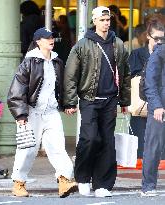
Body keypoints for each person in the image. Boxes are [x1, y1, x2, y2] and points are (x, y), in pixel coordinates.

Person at [63, 6, 130, 197]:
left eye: (108, 20)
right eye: (102, 20)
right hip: (89, 99)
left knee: (108, 142)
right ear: (94, 21)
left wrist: (124, 100)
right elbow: (70, 75)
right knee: (90, 138)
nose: (106, 23)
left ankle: (103, 185)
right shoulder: (83, 45)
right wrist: (69, 102)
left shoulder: (118, 44)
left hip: (110, 99)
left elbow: (125, 75)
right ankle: (83, 178)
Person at [7, 27, 77, 198]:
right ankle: (18, 183)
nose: (51, 40)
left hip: (51, 112)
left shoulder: (57, 62)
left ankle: (64, 180)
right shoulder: (29, 62)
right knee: (28, 149)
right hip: (32, 112)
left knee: (57, 147)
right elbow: (17, 90)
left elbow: (62, 87)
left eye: (52, 37)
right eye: (46, 38)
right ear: (38, 41)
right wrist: (21, 115)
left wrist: (67, 104)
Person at [128, 19, 165, 160]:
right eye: (156, 38)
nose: (159, 42)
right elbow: (129, 79)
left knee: (160, 149)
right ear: (148, 36)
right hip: (141, 107)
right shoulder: (137, 54)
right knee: (141, 148)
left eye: (162, 38)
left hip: (160, 107)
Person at [141, 35, 165, 196]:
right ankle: (148, 186)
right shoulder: (159, 53)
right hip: (160, 108)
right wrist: (156, 105)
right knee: (154, 148)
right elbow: (150, 82)